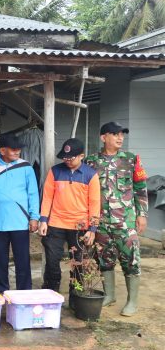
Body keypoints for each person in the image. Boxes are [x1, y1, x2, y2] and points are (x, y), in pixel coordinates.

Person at [86, 121, 148, 316]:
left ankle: (132, 302)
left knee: (131, 261)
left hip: (126, 222)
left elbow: (140, 189)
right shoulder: (91, 162)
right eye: (115, 134)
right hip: (101, 223)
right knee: (104, 259)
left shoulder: (131, 160)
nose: (120, 138)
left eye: (122, 134)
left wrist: (142, 214)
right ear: (104, 137)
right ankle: (109, 295)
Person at [38, 138, 100, 301]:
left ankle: (76, 298)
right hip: (55, 224)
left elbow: (94, 204)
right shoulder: (55, 171)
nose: (67, 161)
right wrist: (43, 219)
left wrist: (92, 229)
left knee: (78, 264)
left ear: (81, 156)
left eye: (71, 158)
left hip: (80, 226)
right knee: (52, 262)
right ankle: (50, 296)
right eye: (65, 158)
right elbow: (47, 197)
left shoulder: (91, 175)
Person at [0, 133, 39, 294]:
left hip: (20, 222)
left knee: (23, 260)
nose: (17, 152)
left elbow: (33, 193)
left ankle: (24, 293)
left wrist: (34, 217)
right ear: (2, 150)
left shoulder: (26, 167)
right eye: (13, 149)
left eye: (19, 149)